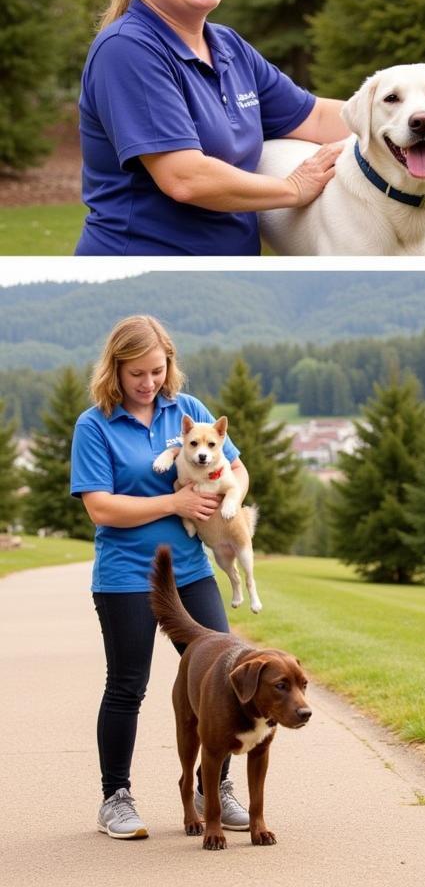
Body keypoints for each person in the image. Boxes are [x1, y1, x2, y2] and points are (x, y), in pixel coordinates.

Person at [76, 0, 348, 255]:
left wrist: (405, 116)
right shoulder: (126, 49)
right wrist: (293, 189)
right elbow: (185, 177)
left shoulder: (229, 46)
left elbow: (315, 117)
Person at [70, 315, 250, 839]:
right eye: (136, 374)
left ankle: (213, 787)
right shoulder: (94, 425)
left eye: (157, 370)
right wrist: (171, 501)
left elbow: (235, 468)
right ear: (115, 371)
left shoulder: (188, 411)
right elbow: (99, 508)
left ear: (169, 364)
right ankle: (116, 799)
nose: (148, 383)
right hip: (126, 576)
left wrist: (231, 495)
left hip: (192, 571)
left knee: (224, 677)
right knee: (128, 686)